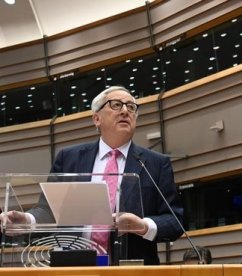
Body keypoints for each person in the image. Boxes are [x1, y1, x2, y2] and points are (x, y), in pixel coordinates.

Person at [0, 85, 184, 265]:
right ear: (97, 118)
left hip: (131, 268)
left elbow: (174, 221)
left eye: (131, 107)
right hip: (75, 266)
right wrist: (26, 220)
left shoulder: (156, 164)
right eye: (116, 105)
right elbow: (48, 211)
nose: (125, 111)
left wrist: (143, 226)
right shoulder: (69, 158)